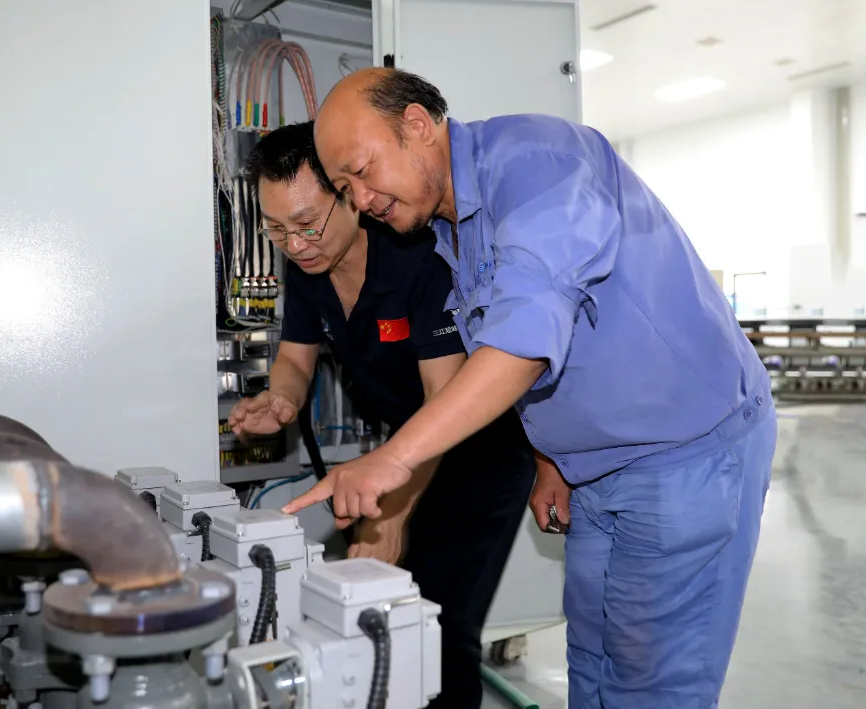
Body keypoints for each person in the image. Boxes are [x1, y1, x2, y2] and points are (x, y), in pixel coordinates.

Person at [284, 68, 778, 709]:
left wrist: (393, 460)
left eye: (361, 170)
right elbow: (539, 351)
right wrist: (548, 458)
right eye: (346, 189)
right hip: (594, 469)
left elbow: (524, 337)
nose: (361, 200)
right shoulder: (452, 227)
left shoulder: (542, 164)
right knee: (592, 663)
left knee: (651, 684)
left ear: (417, 125)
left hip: (684, 454)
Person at [227, 121, 538, 709]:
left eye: (307, 223)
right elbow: (294, 357)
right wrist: (282, 398)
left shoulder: (417, 259)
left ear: (349, 195)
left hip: (479, 451)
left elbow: (443, 400)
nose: (295, 244)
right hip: (405, 450)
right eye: (277, 229)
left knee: (439, 621)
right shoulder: (309, 268)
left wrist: (392, 512)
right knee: (377, 606)